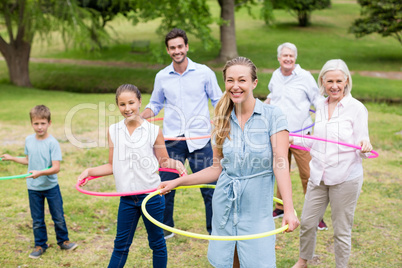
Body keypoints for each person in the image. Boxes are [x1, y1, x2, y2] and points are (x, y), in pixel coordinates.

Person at [158, 57, 300, 267]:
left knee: (259, 261)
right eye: (230, 80)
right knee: (228, 262)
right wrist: (178, 181)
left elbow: (280, 163)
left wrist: (288, 208)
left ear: (254, 83)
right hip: (225, 203)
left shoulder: (273, 116)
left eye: (242, 80)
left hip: (256, 208)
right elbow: (217, 169)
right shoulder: (221, 120)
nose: (235, 86)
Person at [77, 84, 186, 268]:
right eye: (122, 104)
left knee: (157, 243)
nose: (127, 108)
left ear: (139, 102)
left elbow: (164, 161)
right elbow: (112, 165)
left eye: (131, 103)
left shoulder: (153, 131)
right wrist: (89, 172)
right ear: (117, 105)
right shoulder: (113, 131)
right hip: (127, 198)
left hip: (151, 196)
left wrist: (176, 164)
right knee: (120, 245)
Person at [140, 28, 222, 238]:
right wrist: (139, 118)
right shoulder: (162, 76)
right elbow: (156, 103)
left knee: (209, 188)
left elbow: (218, 100)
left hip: (200, 140)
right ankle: (165, 230)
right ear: (168, 50)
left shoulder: (204, 73)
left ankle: (214, 231)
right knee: (166, 187)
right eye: (172, 48)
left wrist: (224, 121)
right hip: (172, 141)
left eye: (180, 46)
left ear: (186, 47)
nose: (177, 51)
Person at [291, 59, 373, 268]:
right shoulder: (319, 105)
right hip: (318, 174)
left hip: (345, 177)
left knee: (341, 229)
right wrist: (294, 139)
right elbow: (315, 140)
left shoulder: (356, 108)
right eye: (330, 81)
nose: (334, 86)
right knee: (308, 223)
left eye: (338, 81)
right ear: (323, 82)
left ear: (346, 81)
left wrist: (364, 145)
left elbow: (363, 143)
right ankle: (303, 261)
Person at [263, 42, 327, 230]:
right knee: (281, 171)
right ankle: (280, 208)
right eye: (285, 56)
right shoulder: (275, 75)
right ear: (279, 58)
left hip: (301, 135)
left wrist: (326, 120)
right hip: (280, 134)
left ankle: (316, 216)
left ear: (295, 58)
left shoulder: (305, 77)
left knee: (308, 175)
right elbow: (273, 97)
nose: (288, 59)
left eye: (291, 56)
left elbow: (317, 101)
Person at [1, 105, 78, 259]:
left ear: (49, 123)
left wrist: (40, 172)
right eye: (36, 123)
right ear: (31, 124)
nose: (39, 127)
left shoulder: (52, 143)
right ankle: (40, 245)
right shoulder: (29, 140)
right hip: (33, 188)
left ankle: (63, 241)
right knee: (37, 219)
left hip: (50, 187)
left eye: (43, 123)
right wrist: (12, 158)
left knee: (58, 216)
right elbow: (28, 160)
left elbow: (56, 168)